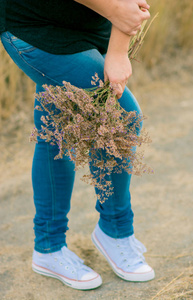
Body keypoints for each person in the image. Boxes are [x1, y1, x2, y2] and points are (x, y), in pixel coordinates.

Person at [0, 0, 155, 290]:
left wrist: (119, 47)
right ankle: (115, 228)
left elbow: (132, 6)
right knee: (121, 118)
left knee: (55, 131)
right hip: (35, 26)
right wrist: (113, 11)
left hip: (91, 27)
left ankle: (48, 247)